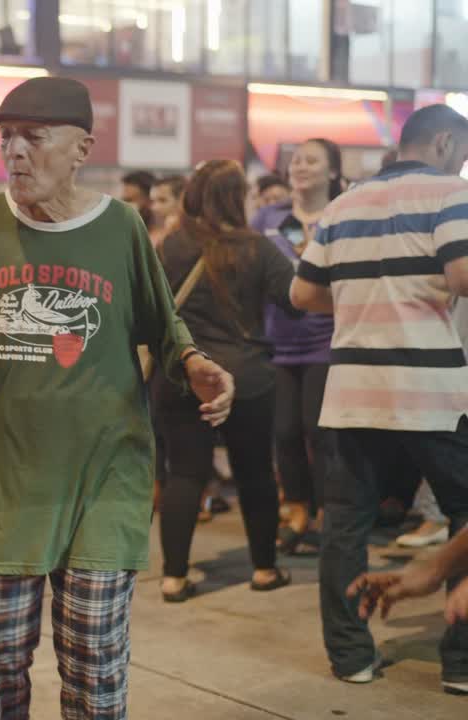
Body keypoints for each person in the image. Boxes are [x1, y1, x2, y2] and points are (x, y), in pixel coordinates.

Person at [0, 76, 235, 719]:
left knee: (92, 653)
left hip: (106, 474)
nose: (15, 153)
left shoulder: (123, 229)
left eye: (34, 137)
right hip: (8, 482)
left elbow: (164, 325)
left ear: (81, 148)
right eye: (7, 138)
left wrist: (192, 363)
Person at [290, 103, 468, 692]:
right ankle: (462, 662)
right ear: (443, 144)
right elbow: (464, 275)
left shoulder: (344, 205)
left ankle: (349, 656)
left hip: (352, 392)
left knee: (346, 526)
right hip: (434, 394)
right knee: (464, 517)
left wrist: (369, 307)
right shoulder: (449, 192)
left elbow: (302, 293)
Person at [155, 160, 296, 602]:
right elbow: (295, 302)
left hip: (182, 372)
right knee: (255, 473)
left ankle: (174, 577)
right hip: (247, 376)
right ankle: (264, 570)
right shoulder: (259, 248)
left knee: (184, 474)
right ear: (239, 197)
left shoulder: (170, 246)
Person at [251, 138, 343, 555]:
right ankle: (298, 509)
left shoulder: (343, 215)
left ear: (332, 172)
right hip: (276, 343)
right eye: (296, 160)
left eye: (311, 160)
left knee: (319, 431)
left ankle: (328, 512)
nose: (300, 166)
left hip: (328, 339)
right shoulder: (268, 218)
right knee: (284, 432)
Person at [148, 174, 185, 248]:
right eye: (152, 201)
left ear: (181, 200)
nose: (154, 208)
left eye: (162, 200)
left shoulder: (190, 236)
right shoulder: (152, 234)